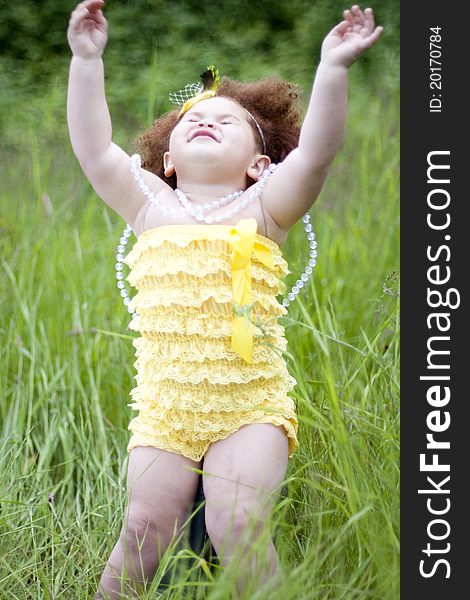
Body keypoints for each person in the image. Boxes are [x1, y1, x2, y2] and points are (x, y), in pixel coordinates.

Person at [67, 1, 383, 598]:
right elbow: (93, 148)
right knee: (141, 530)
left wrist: (333, 68)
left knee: (237, 523)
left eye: (227, 120)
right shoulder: (147, 208)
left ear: (261, 164)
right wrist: (87, 60)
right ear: (165, 160)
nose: (205, 120)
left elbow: (317, 153)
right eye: (193, 118)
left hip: (248, 409)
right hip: (166, 410)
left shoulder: (265, 208)